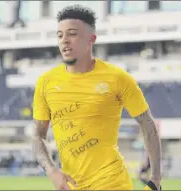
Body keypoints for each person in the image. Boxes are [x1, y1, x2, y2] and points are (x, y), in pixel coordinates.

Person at [32, 5, 162, 190]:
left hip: (112, 183)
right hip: (71, 185)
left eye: (72, 34)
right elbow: (38, 135)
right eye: (60, 35)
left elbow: (147, 123)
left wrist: (156, 178)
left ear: (91, 39)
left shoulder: (118, 78)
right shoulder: (45, 82)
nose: (64, 41)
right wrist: (51, 170)